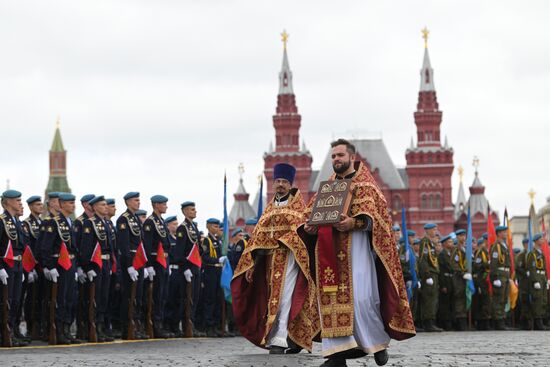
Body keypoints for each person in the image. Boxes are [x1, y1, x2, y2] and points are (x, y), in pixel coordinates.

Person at [303, 140, 415, 367]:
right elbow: (310, 215)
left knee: (363, 300)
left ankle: (378, 343)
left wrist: (355, 222)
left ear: (352, 157)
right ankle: (336, 356)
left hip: (357, 250)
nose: (336, 160)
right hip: (329, 253)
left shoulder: (366, 185)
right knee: (331, 301)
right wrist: (309, 227)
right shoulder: (327, 187)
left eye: (340, 155)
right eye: (333, 156)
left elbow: (381, 220)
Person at [233, 163, 319, 355]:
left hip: (290, 258)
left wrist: (284, 240)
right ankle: (286, 337)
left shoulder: (298, 207)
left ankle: (279, 339)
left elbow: (301, 233)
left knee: (285, 297)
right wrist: (251, 265)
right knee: (272, 297)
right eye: (277, 181)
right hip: (269, 261)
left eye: (284, 182)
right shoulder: (269, 209)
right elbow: (257, 238)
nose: (280, 185)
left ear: (290, 184)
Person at [41, 193, 82, 344]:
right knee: (61, 299)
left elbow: (73, 249)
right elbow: (46, 247)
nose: (73, 206)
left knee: (71, 298)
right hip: (59, 266)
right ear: (62, 204)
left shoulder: (70, 222)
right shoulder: (54, 223)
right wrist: (49, 266)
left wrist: (76, 267)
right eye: (70, 203)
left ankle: (66, 329)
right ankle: (58, 331)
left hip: (70, 265)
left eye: (73, 203)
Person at [80, 195, 115, 342]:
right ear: (94, 207)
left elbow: (110, 247)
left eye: (106, 205)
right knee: (95, 296)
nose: (105, 207)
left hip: (106, 263)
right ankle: (93, 327)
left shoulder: (105, 223)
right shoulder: (90, 223)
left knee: (104, 297)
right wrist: (87, 267)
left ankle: (100, 326)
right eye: (102, 205)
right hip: (96, 264)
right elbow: (86, 247)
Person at [117, 192, 147, 340]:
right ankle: (127, 327)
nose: (138, 203)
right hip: (130, 262)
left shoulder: (135, 218)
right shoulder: (123, 219)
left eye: (139, 200)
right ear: (128, 202)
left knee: (138, 296)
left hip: (139, 261)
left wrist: (144, 264)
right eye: (136, 200)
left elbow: (140, 243)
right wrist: (129, 265)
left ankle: (136, 324)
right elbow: (124, 244)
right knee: (129, 295)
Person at [0, 190, 28, 347]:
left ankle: (9, 332)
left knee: (16, 300)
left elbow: (20, 247)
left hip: (17, 265)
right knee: (6, 300)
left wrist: (22, 267)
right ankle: (3, 333)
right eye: (17, 200)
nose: (20, 203)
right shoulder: (2, 220)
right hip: (6, 266)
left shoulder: (17, 222)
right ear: (7, 202)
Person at [143, 195, 172, 338]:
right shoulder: (150, 222)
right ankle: (155, 325)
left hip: (164, 261)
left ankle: (159, 323)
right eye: (163, 204)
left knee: (163, 294)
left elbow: (167, 244)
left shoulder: (160, 221)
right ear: (156, 205)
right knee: (156, 294)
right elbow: (147, 245)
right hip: (155, 262)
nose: (166, 206)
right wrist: (148, 265)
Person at [175, 201, 204, 337]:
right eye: (192, 209)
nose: (195, 211)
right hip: (188, 268)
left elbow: (198, 248)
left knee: (195, 297)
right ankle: (185, 325)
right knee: (187, 298)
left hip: (196, 266)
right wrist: (185, 267)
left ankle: (191, 324)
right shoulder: (183, 228)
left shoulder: (193, 227)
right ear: (185, 211)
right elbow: (180, 251)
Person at [21, 195, 43, 341]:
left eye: (41, 204)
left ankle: (39, 326)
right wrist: (30, 269)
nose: (40, 206)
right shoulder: (27, 224)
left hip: (42, 266)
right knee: (31, 298)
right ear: (30, 207)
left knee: (40, 298)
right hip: (32, 266)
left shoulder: (43, 222)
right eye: (37, 204)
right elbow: (27, 247)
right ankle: (30, 327)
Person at [418, 223, 443, 332]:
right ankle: (428, 323)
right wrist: (427, 275)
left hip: (434, 274)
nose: (435, 232)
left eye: (435, 229)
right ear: (427, 231)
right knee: (429, 299)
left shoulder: (431, 243)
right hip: (429, 274)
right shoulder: (425, 242)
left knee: (433, 299)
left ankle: (431, 322)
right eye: (433, 230)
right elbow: (423, 259)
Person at [490, 225, 512, 330]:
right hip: (499, 274)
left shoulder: (504, 245)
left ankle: (502, 319)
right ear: (498, 233)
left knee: (503, 299)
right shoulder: (496, 246)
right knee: (498, 299)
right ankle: (498, 321)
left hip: (506, 274)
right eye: (504, 232)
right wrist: (495, 278)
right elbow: (494, 263)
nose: (506, 234)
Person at [526, 233, 550, 330]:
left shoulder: (541, 253)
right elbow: (531, 268)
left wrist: (547, 279)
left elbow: (544, 268)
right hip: (537, 277)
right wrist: (535, 281)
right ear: (536, 241)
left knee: (543, 300)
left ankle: (542, 320)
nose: (542, 241)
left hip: (542, 277)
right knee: (538, 300)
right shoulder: (532, 254)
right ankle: (537, 322)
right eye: (540, 239)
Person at [450, 229, 471, 331]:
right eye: (461, 236)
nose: (463, 238)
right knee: (459, 298)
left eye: (464, 236)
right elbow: (454, 264)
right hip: (458, 277)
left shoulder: (465, 249)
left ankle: (464, 321)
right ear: (457, 237)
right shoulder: (456, 249)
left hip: (465, 277)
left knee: (464, 297)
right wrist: (463, 273)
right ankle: (460, 323)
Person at [473, 236, 491, 330]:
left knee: (486, 301)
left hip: (484, 279)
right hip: (480, 280)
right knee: (483, 302)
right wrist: (488, 263)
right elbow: (478, 265)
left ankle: (485, 322)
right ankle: (482, 323)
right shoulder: (481, 252)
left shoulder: (486, 252)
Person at [437, 234, 454, 331]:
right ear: (444, 244)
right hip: (445, 280)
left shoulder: (449, 253)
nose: (451, 243)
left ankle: (449, 323)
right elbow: (442, 271)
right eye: (449, 242)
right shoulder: (442, 255)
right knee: (445, 304)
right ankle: (446, 324)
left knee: (450, 303)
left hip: (450, 280)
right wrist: (443, 285)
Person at [515, 238, 532, 330]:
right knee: (524, 301)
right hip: (524, 281)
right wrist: (526, 272)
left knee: (531, 301)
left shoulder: (531, 254)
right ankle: (524, 322)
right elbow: (518, 267)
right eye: (528, 244)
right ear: (524, 245)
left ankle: (529, 321)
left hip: (530, 282)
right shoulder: (521, 255)